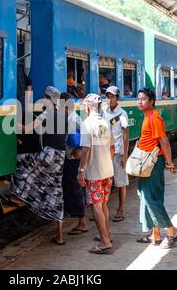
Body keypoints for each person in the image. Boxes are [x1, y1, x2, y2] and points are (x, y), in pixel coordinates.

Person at [11, 86, 68, 245]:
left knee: (20, 160)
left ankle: (20, 195)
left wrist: (11, 122)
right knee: (57, 191)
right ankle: (60, 236)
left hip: (48, 155)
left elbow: (28, 129)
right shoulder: (63, 115)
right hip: (60, 157)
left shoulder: (46, 113)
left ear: (47, 98)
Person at [135, 88, 177, 249]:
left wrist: (169, 162)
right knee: (144, 194)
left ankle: (172, 231)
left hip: (153, 164)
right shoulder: (147, 116)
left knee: (150, 198)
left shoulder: (154, 118)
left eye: (143, 99)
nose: (139, 101)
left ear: (151, 101)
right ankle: (155, 234)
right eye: (138, 99)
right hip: (146, 163)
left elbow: (164, 141)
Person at [77, 93, 114, 254]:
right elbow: (112, 147)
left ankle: (105, 241)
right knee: (104, 204)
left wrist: (81, 171)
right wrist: (106, 160)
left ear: (87, 107)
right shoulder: (105, 122)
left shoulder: (87, 123)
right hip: (107, 170)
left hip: (94, 172)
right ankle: (107, 235)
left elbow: (86, 149)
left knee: (96, 206)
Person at [60, 92, 88, 236]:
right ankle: (77, 217)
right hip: (69, 158)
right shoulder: (70, 118)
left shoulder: (74, 119)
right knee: (70, 188)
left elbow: (85, 139)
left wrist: (78, 150)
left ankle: (82, 222)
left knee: (75, 189)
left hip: (73, 159)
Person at [103, 86, 129, 223]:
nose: (109, 99)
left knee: (120, 182)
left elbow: (125, 136)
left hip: (118, 152)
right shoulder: (104, 112)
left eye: (112, 96)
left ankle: (121, 209)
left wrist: (125, 157)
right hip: (105, 153)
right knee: (105, 181)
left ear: (117, 98)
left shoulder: (122, 114)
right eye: (107, 96)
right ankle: (102, 209)